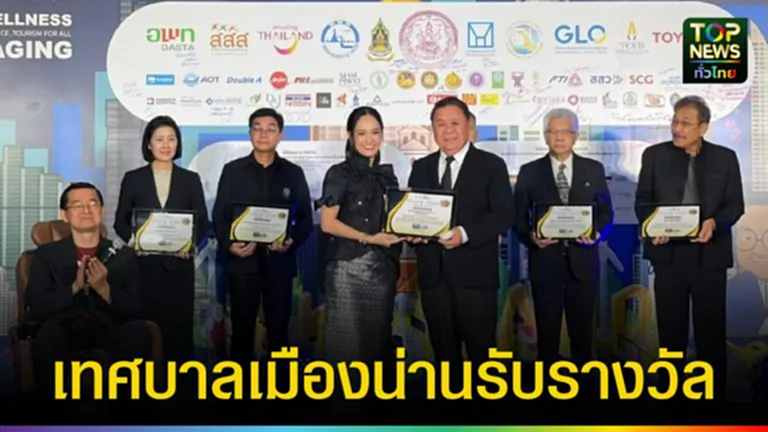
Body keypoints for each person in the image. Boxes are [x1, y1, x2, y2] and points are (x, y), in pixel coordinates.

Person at [634, 95, 745, 400]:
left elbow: (735, 205)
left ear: (703, 127)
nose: (677, 128)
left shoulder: (725, 158)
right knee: (671, 335)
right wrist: (653, 226)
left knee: (711, 333)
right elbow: (643, 201)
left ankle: (712, 398)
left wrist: (714, 223)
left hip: (710, 256)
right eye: (675, 121)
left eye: (685, 123)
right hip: (668, 256)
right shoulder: (654, 155)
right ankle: (671, 398)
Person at [407, 97, 515, 370]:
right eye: (440, 124)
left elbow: (504, 214)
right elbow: (414, 215)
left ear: (470, 125)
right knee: (444, 358)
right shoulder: (421, 167)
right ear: (432, 128)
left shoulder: (491, 165)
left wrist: (465, 234)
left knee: (482, 357)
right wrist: (412, 232)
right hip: (434, 279)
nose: (448, 130)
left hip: (475, 279)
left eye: (455, 123)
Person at [25, 182, 151, 398]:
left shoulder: (124, 256)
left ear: (102, 211)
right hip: (64, 327)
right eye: (77, 205)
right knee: (48, 335)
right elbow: (35, 306)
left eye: (93, 204)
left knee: (138, 331)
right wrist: (74, 288)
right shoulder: (45, 256)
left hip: (108, 326)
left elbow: (136, 306)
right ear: (64, 215)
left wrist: (105, 290)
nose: (86, 210)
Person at [212, 108, 313, 365]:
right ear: (250, 133)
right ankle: (240, 385)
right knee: (241, 331)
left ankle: (279, 386)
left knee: (279, 332)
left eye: (270, 129)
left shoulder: (293, 173)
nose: (263, 134)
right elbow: (220, 216)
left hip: (279, 265)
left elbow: (305, 220)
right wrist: (230, 245)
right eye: (257, 128)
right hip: (242, 265)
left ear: (280, 135)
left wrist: (290, 241)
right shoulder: (233, 171)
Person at [514, 108, 613, 367]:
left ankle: (583, 382)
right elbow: (517, 218)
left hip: (583, 262)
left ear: (575, 136)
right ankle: (548, 382)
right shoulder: (529, 171)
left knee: (583, 335)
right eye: (553, 132)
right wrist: (531, 238)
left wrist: (597, 234)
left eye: (565, 132)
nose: (559, 137)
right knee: (547, 335)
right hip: (545, 262)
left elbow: (606, 213)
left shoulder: (593, 169)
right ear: (545, 135)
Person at [114, 115, 209, 364]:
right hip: (143, 268)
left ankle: (180, 379)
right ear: (149, 144)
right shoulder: (133, 178)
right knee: (145, 329)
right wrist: (135, 243)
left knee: (178, 330)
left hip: (179, 267)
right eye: (159, 139)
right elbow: (120, 222)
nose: (166, 145)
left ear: (178, 143)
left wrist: (190, 245)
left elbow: (202, 222)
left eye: (171, 139)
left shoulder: (190, 179)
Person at [317, 106, 403, 366]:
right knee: (345, 348)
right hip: (346, 270)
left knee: (377, 346)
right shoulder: (338, 173)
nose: (369, 140)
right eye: (362, 133)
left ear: (382, 135)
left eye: (375, 132)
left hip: (383, 271)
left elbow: (394, 221)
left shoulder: (388, 176)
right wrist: (369, 238)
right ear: (350, 136)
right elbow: (328, 224)